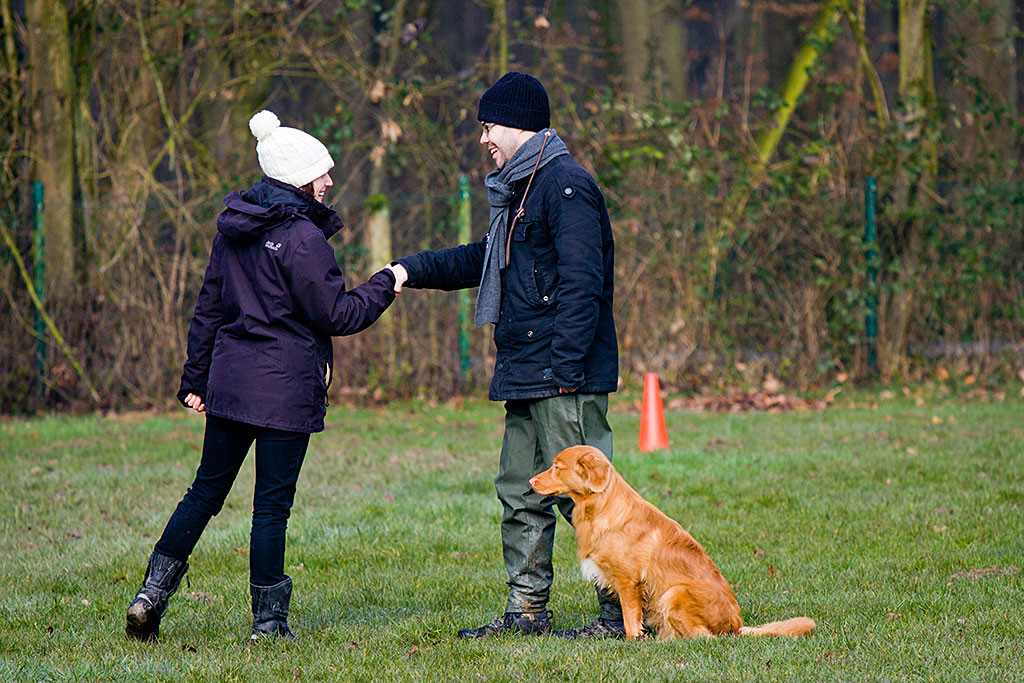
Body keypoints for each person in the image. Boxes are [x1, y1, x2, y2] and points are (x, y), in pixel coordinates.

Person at [125, 110, 407, 643]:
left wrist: (195, 378)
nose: (329, 182)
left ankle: (149, 597)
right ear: (299, 178)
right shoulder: (303, 239)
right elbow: (338, 315)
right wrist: (385, 282)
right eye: (323, 173)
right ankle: (269, 624)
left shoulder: (233, 228)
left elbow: (209, 306)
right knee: (270, 509)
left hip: (230, 386)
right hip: (284, 392)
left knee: (204, 493)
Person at [393, 72, 623, 639]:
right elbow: (484, 259)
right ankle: (526, 613)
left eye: (488, 126)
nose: (482, 139)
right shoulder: (519, 190)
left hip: (561, 373)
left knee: (587, 498)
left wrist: (567, 370)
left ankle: (619, 613)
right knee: (521, 491)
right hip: (524, 369)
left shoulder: (565, 185)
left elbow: (583, 283)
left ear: (518, 124)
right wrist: (407, 270)